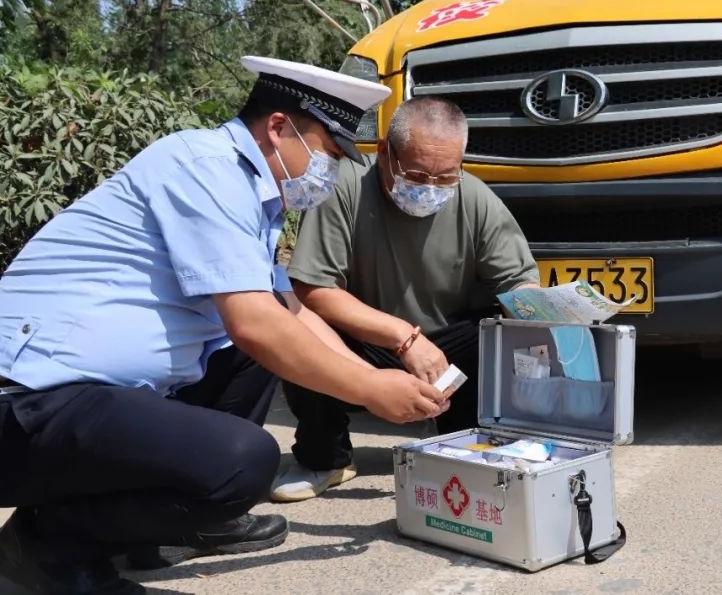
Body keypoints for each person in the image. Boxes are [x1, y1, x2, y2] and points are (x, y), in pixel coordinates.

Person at [0, 56, 451, 595]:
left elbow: (293, 315)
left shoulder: (254, 195)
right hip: (26, 401)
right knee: (243, 462)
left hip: (87, 400)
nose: (329, 173)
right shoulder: (205, 167)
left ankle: (149, 529)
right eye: (327, 156)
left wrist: (376, 376)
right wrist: (371, 388)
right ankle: (48, 544)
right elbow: (255, 324)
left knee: (256, 355)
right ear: (279, 127)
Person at [270, 96, 539, 502]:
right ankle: (324, 458)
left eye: (445, 176)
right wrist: (404, 338)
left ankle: (464, 446)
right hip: (364, 342)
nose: (430, 187)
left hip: (447, 349)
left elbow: (517, 281)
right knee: (293, 328)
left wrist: (538, 309)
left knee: (495, 334)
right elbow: (313, 288)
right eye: (416, 173)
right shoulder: (343, 186)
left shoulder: (476, 198)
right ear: (383, 152)